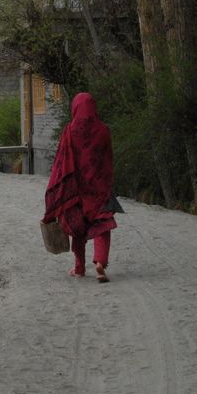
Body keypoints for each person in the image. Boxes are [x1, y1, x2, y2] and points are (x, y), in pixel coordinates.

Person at [43, 92, 119, 282]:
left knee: (78, 229)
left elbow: (60, 163)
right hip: (99, 188)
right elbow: (108, 159)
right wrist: (108, 181)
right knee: (102, 226)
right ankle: (100, 262)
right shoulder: (103, 131)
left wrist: (55, 194)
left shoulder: (69, 131)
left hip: (76, 191)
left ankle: (79, 268)